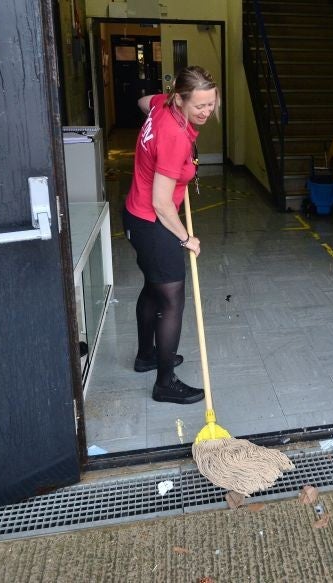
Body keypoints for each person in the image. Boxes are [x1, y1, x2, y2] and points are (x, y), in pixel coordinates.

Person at [123, 65, 219, 404]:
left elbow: (142, 101)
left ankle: (147, 356)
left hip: (135, 217)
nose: (207, 111)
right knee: (172, 301)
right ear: (180, 99)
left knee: (153, 289)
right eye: (199, 106)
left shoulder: (162, 104)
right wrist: (186, 238)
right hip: (154, 223)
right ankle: (165, 382)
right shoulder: (175, 136)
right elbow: (162, 204)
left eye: (211, 103)